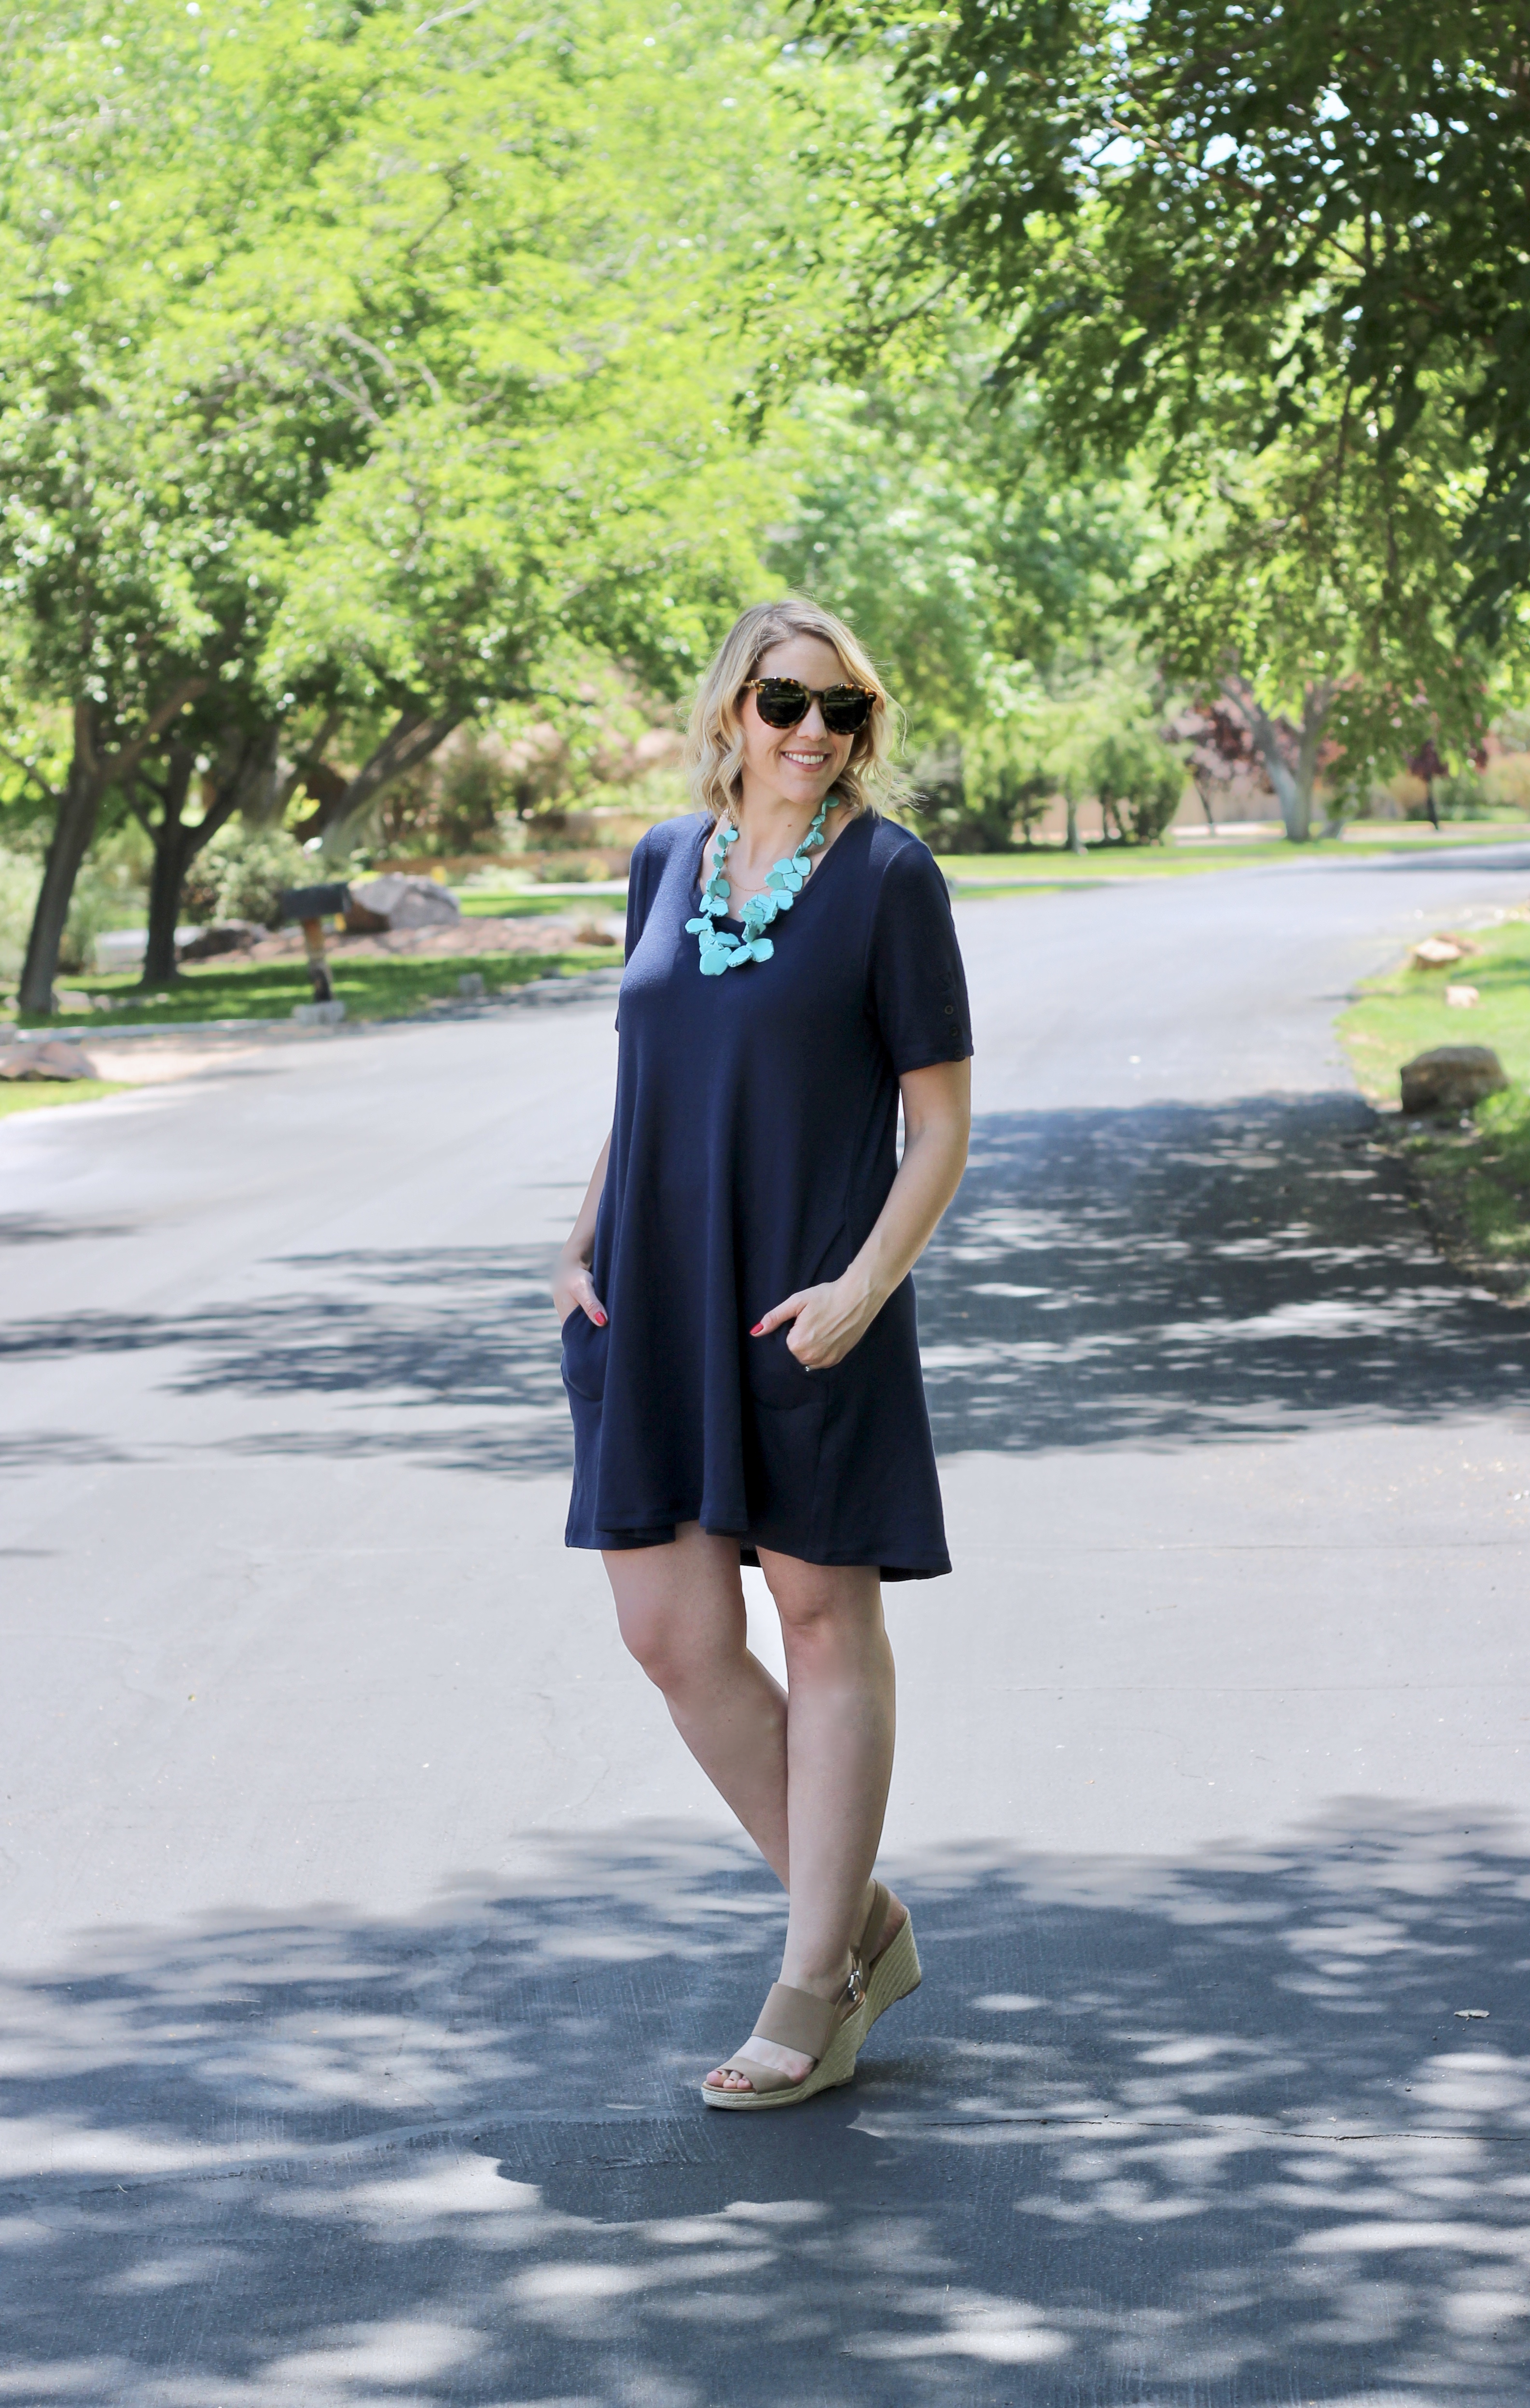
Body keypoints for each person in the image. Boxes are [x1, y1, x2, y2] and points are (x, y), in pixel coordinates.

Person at [553, 596, 972, 2110]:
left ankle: (813, 1980)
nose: (814, 736)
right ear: (732, 707)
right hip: (646, 1297)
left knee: (815, 1620)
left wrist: (864, 1286)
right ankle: (853, 1916)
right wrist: (580, 1236)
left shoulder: (886, 878)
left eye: (844, 714)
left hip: (806, 1296)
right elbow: (645, 1065)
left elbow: (938, 1125)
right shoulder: (665, 863)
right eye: (787, 704)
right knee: (668, 1633)